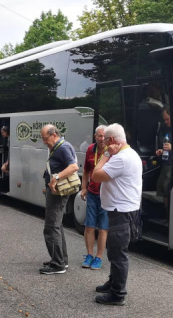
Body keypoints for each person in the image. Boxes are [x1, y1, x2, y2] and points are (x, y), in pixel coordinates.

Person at [91, 123, 142, 306]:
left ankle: (117, 293)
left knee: (118, 253)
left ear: (111, 140)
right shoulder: (128, 154)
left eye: (104, 140)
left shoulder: (121, 158)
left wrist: (105, 154)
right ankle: (113, 282)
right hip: (121, 210)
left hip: (121, 211)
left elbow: (95, 176)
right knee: (114, 250)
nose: (102, 143)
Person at [39, 124, 79, 275]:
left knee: (51, 227)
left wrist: (55, 177)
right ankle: (62, 260)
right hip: (55, 191)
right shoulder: (60, 146)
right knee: (57, 226)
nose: (44, 142)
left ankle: (57, 264)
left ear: (54, 134)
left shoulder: (63, 147)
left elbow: (74, 167)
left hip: (58, 193)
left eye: (45, 138)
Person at [80, 125, 108, 270]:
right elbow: (86, 171)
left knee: (103, 227)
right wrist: (84, 187)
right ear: (95, 136)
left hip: (106, 195)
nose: (102, 138)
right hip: (92, 193)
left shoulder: (111, 151)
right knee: (89, 225)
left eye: (104, 136)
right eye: (99, 136)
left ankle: (99, 257)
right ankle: (89, 254)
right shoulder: (91, 149)